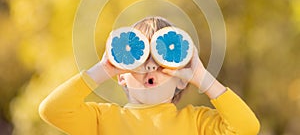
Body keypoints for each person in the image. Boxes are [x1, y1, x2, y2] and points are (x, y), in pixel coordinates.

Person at [39, 16, 260, 135]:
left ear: (182, 79)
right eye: (140, 59)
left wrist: (202, 77)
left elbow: (247, 128)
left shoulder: (197, 122)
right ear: (121, 75)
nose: (151, 67)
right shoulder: (102, 120)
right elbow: (52, 110)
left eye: (162, 60)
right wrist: (103, 69)